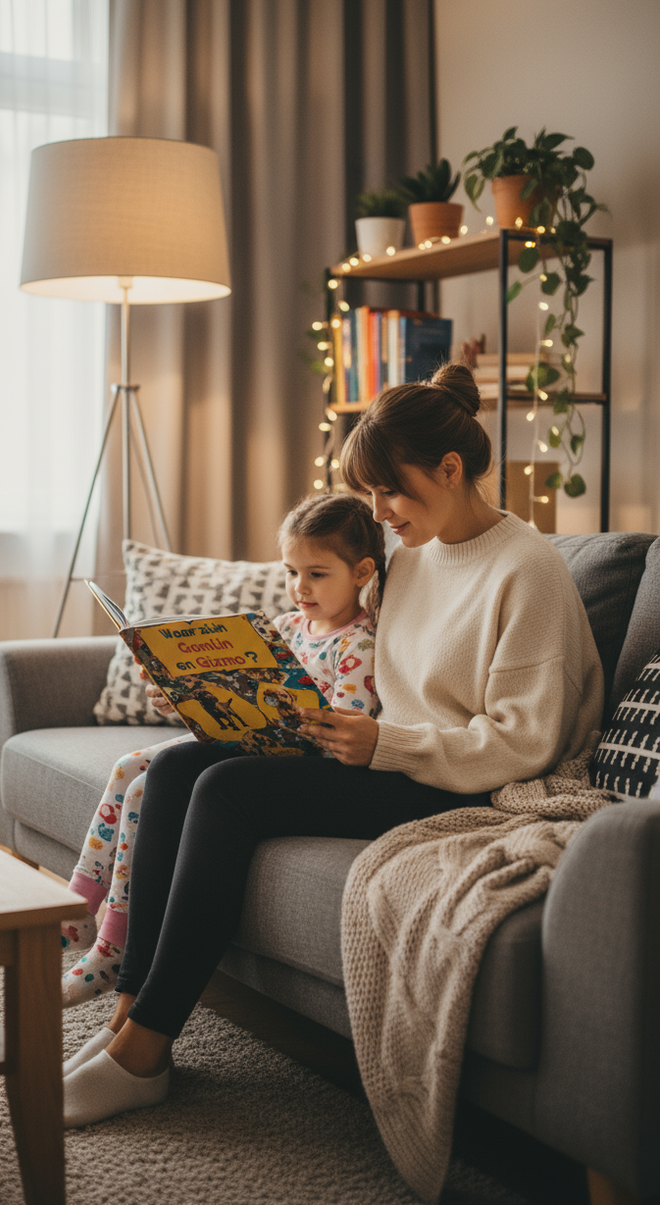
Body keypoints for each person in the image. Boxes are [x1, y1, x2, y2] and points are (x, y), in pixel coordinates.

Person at [61, 363, 604, 1129]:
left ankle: (145, 1050)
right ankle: (126, 1018)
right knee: (180, 765)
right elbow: (343, 654)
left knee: (228, 791)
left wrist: (384, 742)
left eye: (391, 492)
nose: (378, 512)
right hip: (384, 750)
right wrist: (208, 696)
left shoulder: (529, 571)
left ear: (450, 470)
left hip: (464, 779)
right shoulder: (408, 556)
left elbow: (523, 741)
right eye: (372, 494)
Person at [59, 492, 385, 1008]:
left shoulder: (359, 644)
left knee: (147, 786)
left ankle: (112, 940)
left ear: (363, 571)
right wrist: (181, 696)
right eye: (291, 572)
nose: (300, 588)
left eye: (317, 574)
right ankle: (77, 906)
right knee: (129, 767)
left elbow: (343, 727)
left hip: (285, 763)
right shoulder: (284, 627)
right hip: (237, 739)